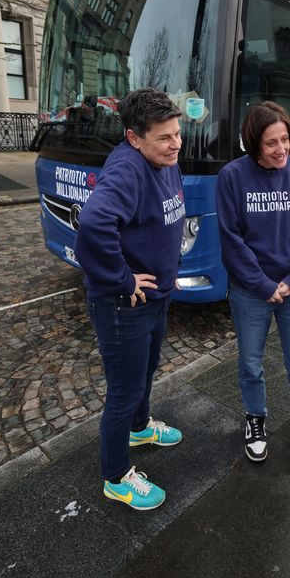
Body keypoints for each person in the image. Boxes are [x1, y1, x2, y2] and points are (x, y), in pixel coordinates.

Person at [74, 87, 185, 512]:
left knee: (147, 371)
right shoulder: (127, 169)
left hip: (156, 298)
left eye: (177, 133)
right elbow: (93, 225)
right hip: (125, 306)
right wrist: (122, 279)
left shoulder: (164, 158)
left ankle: (140, 428)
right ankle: (116, 477)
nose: (175, 144)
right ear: (134, 137)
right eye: (164, 137)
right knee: (123, 391)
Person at [215, 100, 290, 467]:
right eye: (271, 143)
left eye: (285, 139)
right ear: (253, 143)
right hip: (251, 292)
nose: (281, 149)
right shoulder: (233, 177)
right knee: (250, 364)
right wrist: (265, 285)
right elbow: (232, 240)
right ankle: (255, 419)